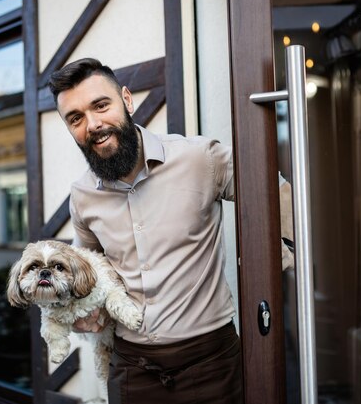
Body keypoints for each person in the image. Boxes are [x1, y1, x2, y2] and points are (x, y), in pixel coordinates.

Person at [48, 58, 242, 404]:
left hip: (211, 362)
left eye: (101, 105)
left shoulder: (200, 158)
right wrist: (82, 313)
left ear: (127, 100)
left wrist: (278, 266)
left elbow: (271, 192)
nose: (92, 124)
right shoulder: (82, 195)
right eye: (75, 118)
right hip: (131, 368)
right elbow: (90, 272)